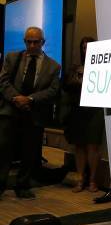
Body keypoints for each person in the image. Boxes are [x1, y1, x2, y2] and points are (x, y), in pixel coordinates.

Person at [0, 27, 61, 200]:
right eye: (29, 41)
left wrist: (31, 99)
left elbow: (53, 91)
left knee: (29, 152)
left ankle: (23, 186)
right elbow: (3, 82)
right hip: (10, 112)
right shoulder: (12, 58)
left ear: (43, 42)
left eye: (36, 42)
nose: (32, 45)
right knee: (3, 150)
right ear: (25, 41)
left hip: (34, 114)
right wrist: (17, 99)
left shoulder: (54, 66)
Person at [63, 36, 105, 193]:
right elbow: (66, 87)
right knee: (79, 146)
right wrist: (77, 78)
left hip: (95, 110)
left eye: (89, 47)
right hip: (78, 110)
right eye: (83, 47)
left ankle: (93, 181)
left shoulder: (103, 66)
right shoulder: (76, 68)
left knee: (93, 145)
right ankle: (80, 179)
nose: (86, 50)